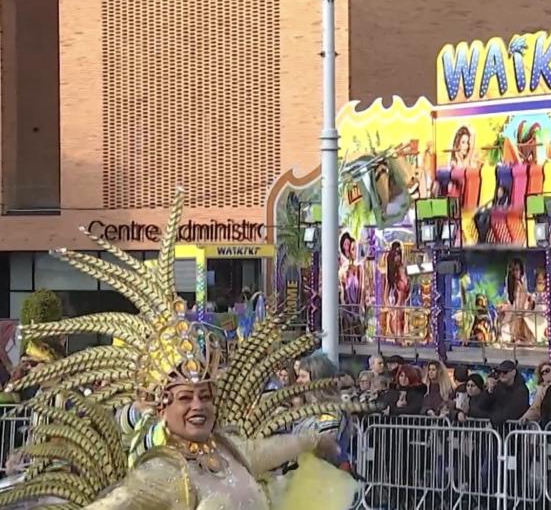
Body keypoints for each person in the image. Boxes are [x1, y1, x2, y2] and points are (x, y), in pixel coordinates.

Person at [0, 191, 373, 510]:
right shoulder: (161, 471)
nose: (198, 406)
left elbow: (276, 447)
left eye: (205, 396)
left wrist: (317, 442)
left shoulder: (230, 449)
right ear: (162, 405)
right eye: (185, 398)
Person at [489, 360, 530, 427]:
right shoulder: (497, 387)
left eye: (505, 372)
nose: (501, 374)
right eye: (499, 372)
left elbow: (512, 412)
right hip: (498, 431)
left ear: (513, 372)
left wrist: (493, 419)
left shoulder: (522, 390)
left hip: (515, 432)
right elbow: (483, 407)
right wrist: (489, 391)